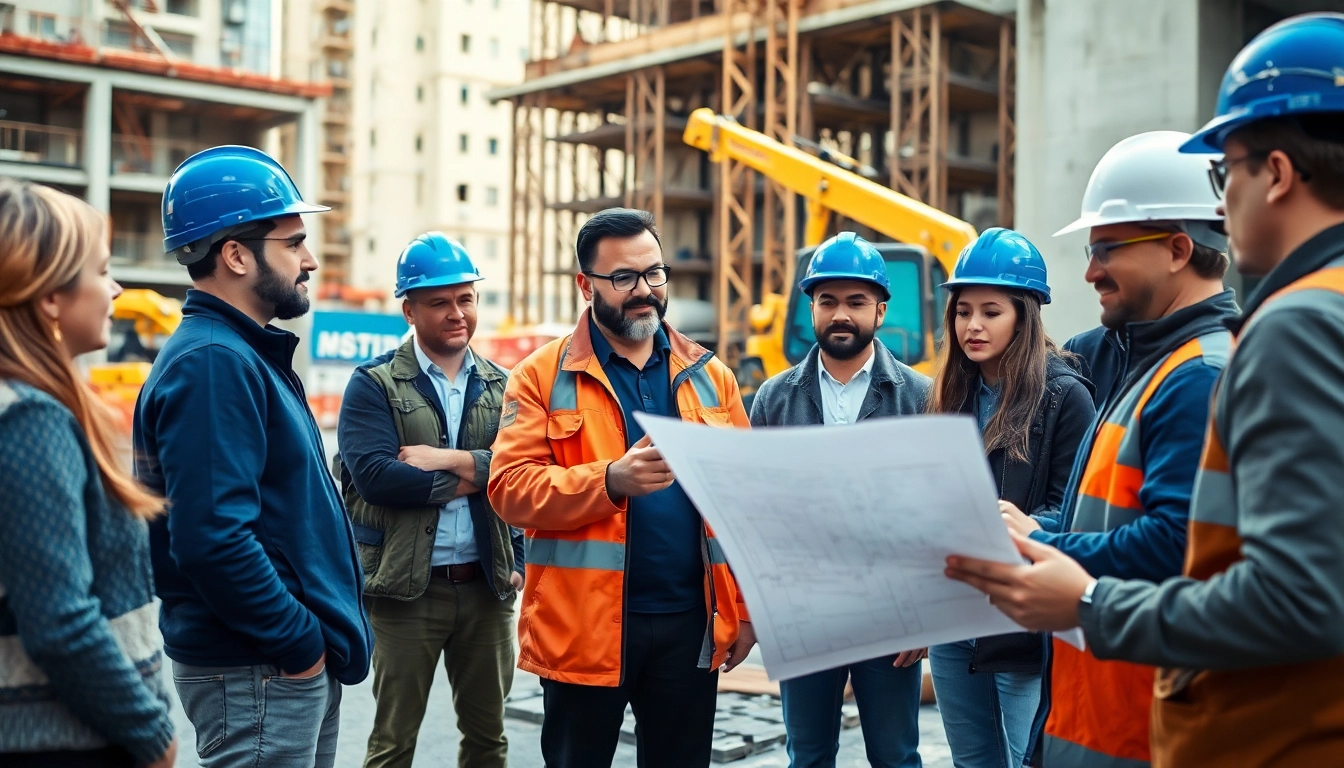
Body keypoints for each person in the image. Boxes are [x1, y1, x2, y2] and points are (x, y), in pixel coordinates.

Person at [946, 13, 1344, 767]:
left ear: (1277, 174)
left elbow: (1289, 591)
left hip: (1212, 732)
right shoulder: (1158, 358)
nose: (1090, 271)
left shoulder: (1271, 338)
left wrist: (1075, 587)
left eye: (1228, 173)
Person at [992, 130, 1239, 768]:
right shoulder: (1150, 363)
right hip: (1099, 718)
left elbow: (1178, 544)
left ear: (1178, 249)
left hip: (1136, 728)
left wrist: (1044, 550)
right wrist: (1044, 535)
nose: (1090, 271)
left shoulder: (1198, 376)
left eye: (1107, 249)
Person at [487, 208, 755, 768]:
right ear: (586, 285)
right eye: (624, 277)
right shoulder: (539, 376)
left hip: (690, 626)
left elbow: (746, 504)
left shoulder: (712, 376)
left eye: (654, 273)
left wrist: (747, 613)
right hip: (583, 629)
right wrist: (610, 480)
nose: (644, 291)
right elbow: (509, 489)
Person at [135, 146, 372, 767]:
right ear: (236, 255)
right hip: (260, 667)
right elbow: (212, 538)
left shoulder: (240, 354)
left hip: (271, 665)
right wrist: (299, 646)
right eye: (294, 243)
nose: (310, 260)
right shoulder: (214, 363)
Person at [0, 180, 176, 768]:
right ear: (52, 297)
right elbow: (61, 623)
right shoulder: (29, 420)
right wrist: (152, 735)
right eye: (102, 271)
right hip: (65, 742)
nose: (117, 289)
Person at [337, 232, 524, 768]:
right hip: (404, 593)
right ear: (409, 310)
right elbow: (376, 478)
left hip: (487, 589)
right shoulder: (373, 384)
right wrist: (478, 473)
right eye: (439, 302)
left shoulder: (503, 386)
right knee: (393, 745)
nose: (456, 313)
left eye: (466, 299)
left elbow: (523, 475)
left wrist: (446, 461)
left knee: (488, 741)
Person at [749, 231, 930, 768]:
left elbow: (936, 511)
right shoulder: (774, 398)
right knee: (807, 757)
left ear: (880, 309)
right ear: (811, 308)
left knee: (896, 757)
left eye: (856, 301)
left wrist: (926, 613)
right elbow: (754, 510)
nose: (841, 314)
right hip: (804, 612)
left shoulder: (920, 397)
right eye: (828, 301)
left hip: (890, 613)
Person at [925, 229, 1094, 768]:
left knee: (1030, 758)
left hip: (1022, 619)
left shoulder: (1065, 396)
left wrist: (1022, 523)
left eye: (990, 312)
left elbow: (1078, 510)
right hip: (953, 618)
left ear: (1024, 315)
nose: (972, 326)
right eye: (963, 311)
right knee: (973, 761)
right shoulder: (951, 393)